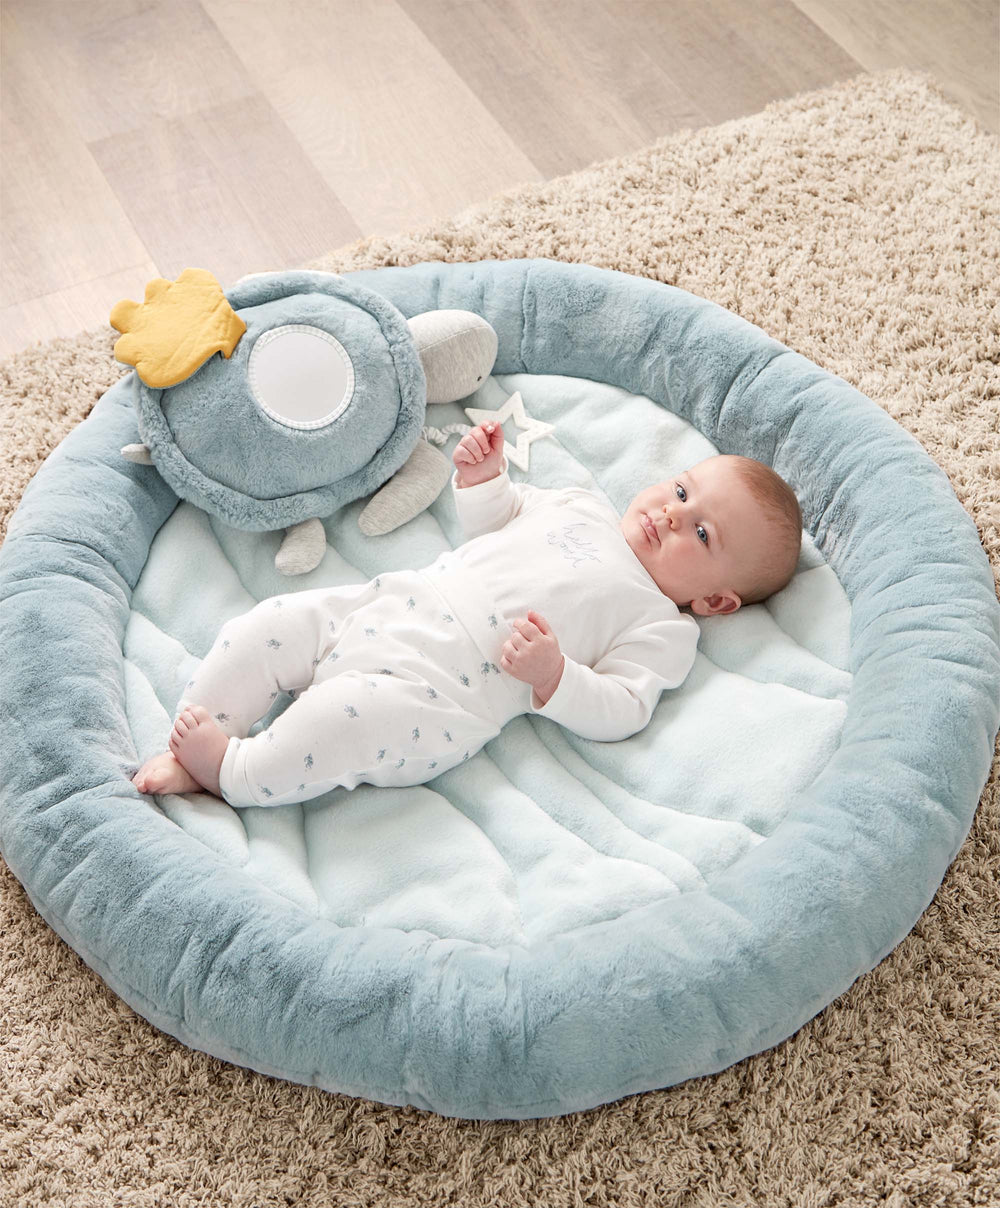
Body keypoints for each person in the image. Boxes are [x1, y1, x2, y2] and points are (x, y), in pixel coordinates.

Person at [132, 421, 802, 808]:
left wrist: (555, 676)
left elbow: (624, 706)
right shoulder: (581, 505)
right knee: (273, 623)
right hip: (396, 602)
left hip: (438, 696)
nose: (673, 513)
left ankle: (233, 773)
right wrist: (484, 481)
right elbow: (499, 520)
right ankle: (201, 726)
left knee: (335, 725)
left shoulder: (662, 625)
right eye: (682, 490)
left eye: (702, 533)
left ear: (715, 601)